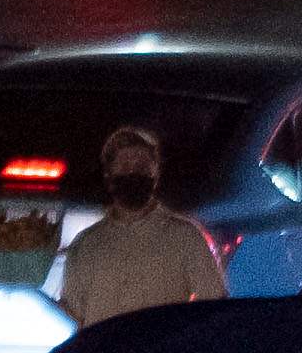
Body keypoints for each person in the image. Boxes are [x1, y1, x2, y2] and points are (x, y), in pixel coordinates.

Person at [50, 124, 225, 322]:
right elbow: (70, 317)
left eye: (142, 167)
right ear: (108, 176)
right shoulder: (86, 245)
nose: (133, 173)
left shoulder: (185, 237)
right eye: (124, 167)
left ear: (155, 175)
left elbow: (213, 307)